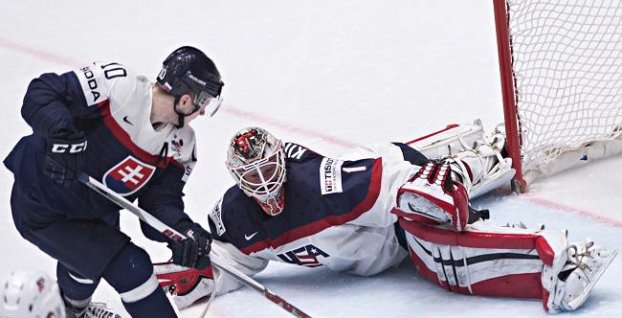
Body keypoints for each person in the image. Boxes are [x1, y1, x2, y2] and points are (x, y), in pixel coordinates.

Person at [155, 121, 616, 314]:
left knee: (440, 254)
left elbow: (395, 183)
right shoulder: (238, 217)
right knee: (425, 214)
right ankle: (471, 151)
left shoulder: (320, 186)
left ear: (282, 162)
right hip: (376, 222)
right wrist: (164, 283)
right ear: (237, 180)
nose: (265, 185)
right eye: (251, 178)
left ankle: (559, 262)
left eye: (269, 170)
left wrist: (442, 196)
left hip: (391, 204)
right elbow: (218, 264)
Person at [3, 46, 224, 318]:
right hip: (42, 203)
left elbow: (158, 205)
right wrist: (62, 134)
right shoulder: (119, 88)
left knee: (86, 265)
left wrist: (182, 231)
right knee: (134, 269)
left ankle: (72, 310)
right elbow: (43, 91)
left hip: (94, 211)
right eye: (203, 102)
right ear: (186, 99)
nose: (202, 112)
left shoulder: (181, 145)